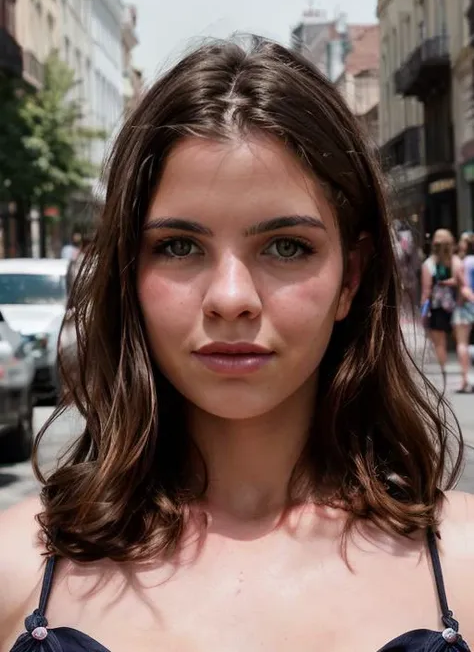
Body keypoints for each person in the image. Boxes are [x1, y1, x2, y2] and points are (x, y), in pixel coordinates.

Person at [1, 36, 473, 652]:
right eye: (179, 246)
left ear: (350, 277)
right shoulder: (18, 566)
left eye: (285, 247)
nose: (230, 297)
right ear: (128, 272)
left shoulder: (462, 565)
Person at [421, 229, 467, 391]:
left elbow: (426, 291)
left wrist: (423, 312)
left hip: (437, 308)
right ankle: (464, 375)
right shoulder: (456, 262)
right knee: (462, 342)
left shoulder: (428, 264)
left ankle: (443, 373)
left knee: (440, 344)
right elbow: (463, 284)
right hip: (458, 307)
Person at [452, 232, 474, 392]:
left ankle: (465, 379)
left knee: (462, 343)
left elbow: (463, 287)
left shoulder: (462, 263)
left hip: (465, 305)